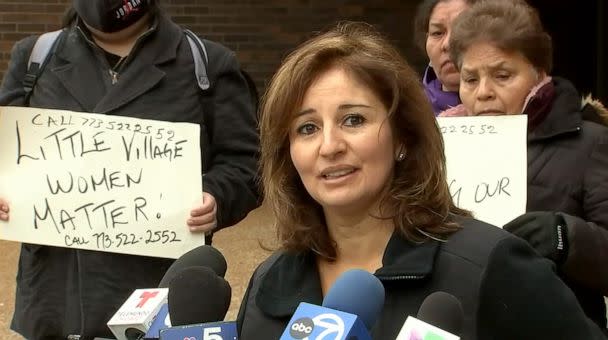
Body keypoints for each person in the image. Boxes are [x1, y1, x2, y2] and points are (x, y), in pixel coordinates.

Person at [235, 21, 605, 339]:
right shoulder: (270, 283)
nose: (329, 146)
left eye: (354, 120)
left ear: (403, 138)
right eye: (307, 128)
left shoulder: (491, 264)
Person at [0, 0, 260, 339]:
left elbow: (247, 163)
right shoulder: (34, 57)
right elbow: (8, 151)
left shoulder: (208, 64)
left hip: (159, 291)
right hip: (56, 298)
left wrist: (217, 196)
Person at [439, 0, 608, 330]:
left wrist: (566, 238)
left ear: (539, 74)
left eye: (502, 75)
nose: (483, 92)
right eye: (470, 79)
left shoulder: (592, 143)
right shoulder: (437, 146)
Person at [414, 0, 478, 115]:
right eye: (437, 33)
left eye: (461, 31)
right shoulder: (408, 112)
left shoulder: (518, 105)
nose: (447, 44)